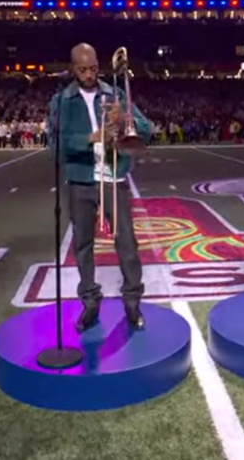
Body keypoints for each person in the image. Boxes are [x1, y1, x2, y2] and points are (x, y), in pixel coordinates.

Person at [47, 43, 152, 332]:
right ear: (72, 69)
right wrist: (90, 139)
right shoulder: (61, 101)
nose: (89, 74)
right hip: (81, 180)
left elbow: (147, 129)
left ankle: (132, 303)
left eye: (93, 67)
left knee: (127, 245)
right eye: (82, 69)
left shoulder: (115, 93)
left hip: (113, 178)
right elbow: (53, 146)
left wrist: (125, 120)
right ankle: (90, 303)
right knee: (83, 246)